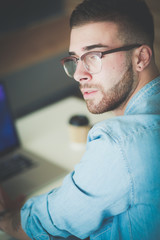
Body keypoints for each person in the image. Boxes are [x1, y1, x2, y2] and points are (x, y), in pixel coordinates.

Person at [0, 0, 160, 239]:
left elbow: (49, 224)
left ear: (141, 57)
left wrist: (4, 217)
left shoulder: (120, 144)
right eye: (75, 59)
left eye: (94, 56)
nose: (78, 74)